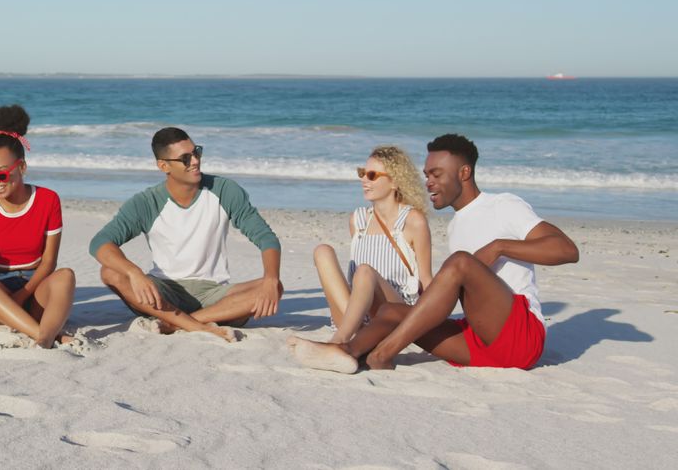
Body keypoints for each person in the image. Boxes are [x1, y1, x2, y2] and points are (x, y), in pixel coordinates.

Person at [289, 134, 578, 372]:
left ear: (464, 173)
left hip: (521, 336)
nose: (428, 182)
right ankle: (344, 351)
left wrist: (499, 246)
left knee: (460, 263)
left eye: (437, 174)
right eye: (427, 174)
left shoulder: (503, 205)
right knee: (391, 311)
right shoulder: (455, 226)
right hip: (479, 341)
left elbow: (566, 250)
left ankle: (382, 355)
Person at [90, 127, 282, 342]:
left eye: (196, 152)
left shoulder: (225, 190)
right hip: (163, 293)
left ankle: (176, 324)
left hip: (214, 295)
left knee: (272, 285)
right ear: (164, 166)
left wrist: (271, 279)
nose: (195, 161)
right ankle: (201, 326)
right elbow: (100, 242)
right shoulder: (146, 202)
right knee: (111, 273)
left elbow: (266, 238)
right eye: (185, 158)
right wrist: (135, 273)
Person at [0, 105, 76, 349]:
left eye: (1, 175)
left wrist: (21, 295)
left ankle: (41, 334)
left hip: (35, 289)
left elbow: (49, 263)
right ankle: (45, 336)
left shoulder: (48, 199)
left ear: (22, 168)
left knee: (66, 277)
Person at [309, 146, 433, 344]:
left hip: (392, 314)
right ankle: (353, 331)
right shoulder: (358, 220)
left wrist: (430, 325)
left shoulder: (412, 221)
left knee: (365, 272)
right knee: (322, 251)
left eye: (372, 175)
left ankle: (338, 342)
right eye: (362, 173)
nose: (364, 180)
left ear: (395, 181)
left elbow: (426, 279)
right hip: (354, 313)